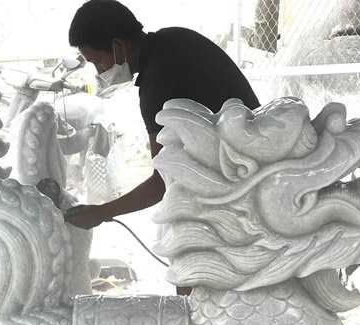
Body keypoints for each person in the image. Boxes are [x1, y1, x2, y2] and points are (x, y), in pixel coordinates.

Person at [66, 0, 259, 232]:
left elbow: (162, 182)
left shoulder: (156, 85)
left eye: (98, 61)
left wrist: (101, 212)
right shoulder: (174, 37)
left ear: (118, 46)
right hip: (256, 149)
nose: (99, 71)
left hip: (244, 178)